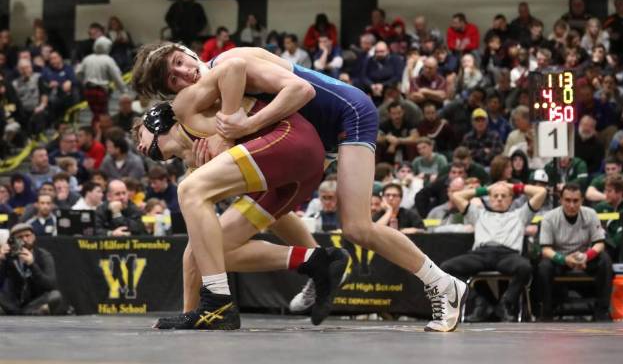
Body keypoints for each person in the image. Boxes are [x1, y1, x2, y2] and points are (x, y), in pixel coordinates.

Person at [131, 41, 467, 332]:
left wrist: (239, 127)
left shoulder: (230, 61)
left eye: (180, 63)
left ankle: (443, 284)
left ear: (187, 52)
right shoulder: (208, 95)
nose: (185, 74)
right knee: (223, 241)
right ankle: (315, 265)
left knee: (357, 226)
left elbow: (300, 90)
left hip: (346, 114)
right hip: (308, 136)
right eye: (173, 79)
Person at [132, 95, 347, 328]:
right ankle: (317, 260)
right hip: (292, 174)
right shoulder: (193, 162)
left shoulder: (195, 117)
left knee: (206, 245)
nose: (138, 146)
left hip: (291, 144)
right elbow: (197, 244)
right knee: (211, 253)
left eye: (140, 135)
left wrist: (225, 135)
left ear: (154, 120)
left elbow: (234, 84)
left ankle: (317, 261)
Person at [443, 181, 546, 321]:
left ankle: (505, 303)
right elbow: (457, 196)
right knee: (446, 268)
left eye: (504, 196)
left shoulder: (520, 215)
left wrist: (514, 187)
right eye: (495, 195)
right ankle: (481, 302)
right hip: (481, 254)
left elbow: (541, 192)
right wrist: (486, 189)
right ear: (489, 198)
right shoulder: (478, 214)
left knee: (525, 267)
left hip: (507, 255)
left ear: (511, 199)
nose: (499, 198)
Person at [538, 183, 612, 321]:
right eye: (567, 200)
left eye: (575, 201)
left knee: (605, 260)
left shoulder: (591, 214)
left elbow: (599, 243)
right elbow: (545, 250)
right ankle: (546, 312)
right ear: (560, 200)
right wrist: (564, 259)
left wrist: (586, 256)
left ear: (582, 200)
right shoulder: (549, 217)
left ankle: (603, 311)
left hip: (584, 258)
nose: (571, 205)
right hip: (560, 259)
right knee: (544, 266)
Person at [0, 223, 62, 315]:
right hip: (13, 303)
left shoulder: (43, 255)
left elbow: (50, 285)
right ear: (12, 241)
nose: (25, 239)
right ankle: (30, 313)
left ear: (33, 237)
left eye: (27, 235)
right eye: (20, 237)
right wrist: (1, 261)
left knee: (55, 295)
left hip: (34, 301)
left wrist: (32, 264)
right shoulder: (8, 256)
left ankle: (27, 312)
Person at [77, 36, 126, 124]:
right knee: (102, 115)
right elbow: (116, 76)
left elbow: (78, 72)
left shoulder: (88, 58)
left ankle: (96, 132)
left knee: (95, 114)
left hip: (88, 90)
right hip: (101, 91)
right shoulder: (108, 60)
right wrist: (123, 90)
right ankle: (100, 133)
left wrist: (83, 82)